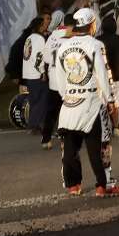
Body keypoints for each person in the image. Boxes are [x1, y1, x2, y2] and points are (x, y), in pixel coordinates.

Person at [55, 7, 119, 197]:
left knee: (70, 147)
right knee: (98, 146)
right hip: (91, 103)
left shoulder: (63, 47)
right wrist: (110, 99)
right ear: (92, 25)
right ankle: (103, 185)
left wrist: (67, 95)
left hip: (69, 104)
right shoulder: (95, 45)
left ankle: (73, 185)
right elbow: (102, 74)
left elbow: (59, 79)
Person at [38, 13, 74, 149]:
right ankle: (65, 139)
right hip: (68, 81)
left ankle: (46, 139)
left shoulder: (53, 36)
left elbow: (46, 58)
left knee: (51, 111)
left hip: (54, 80)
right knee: (69, 111)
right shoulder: (73, 37)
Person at [21, 13, 50, 139]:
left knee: (34, 101)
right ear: (40, 26)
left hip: (28, 73)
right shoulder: (39, 39)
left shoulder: (29, 38)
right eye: (43, 25)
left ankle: (35, 125)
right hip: (36, 74)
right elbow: (39, 57)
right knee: (42, 100)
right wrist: (42, 72)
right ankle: (34, 125)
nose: (45, 26)